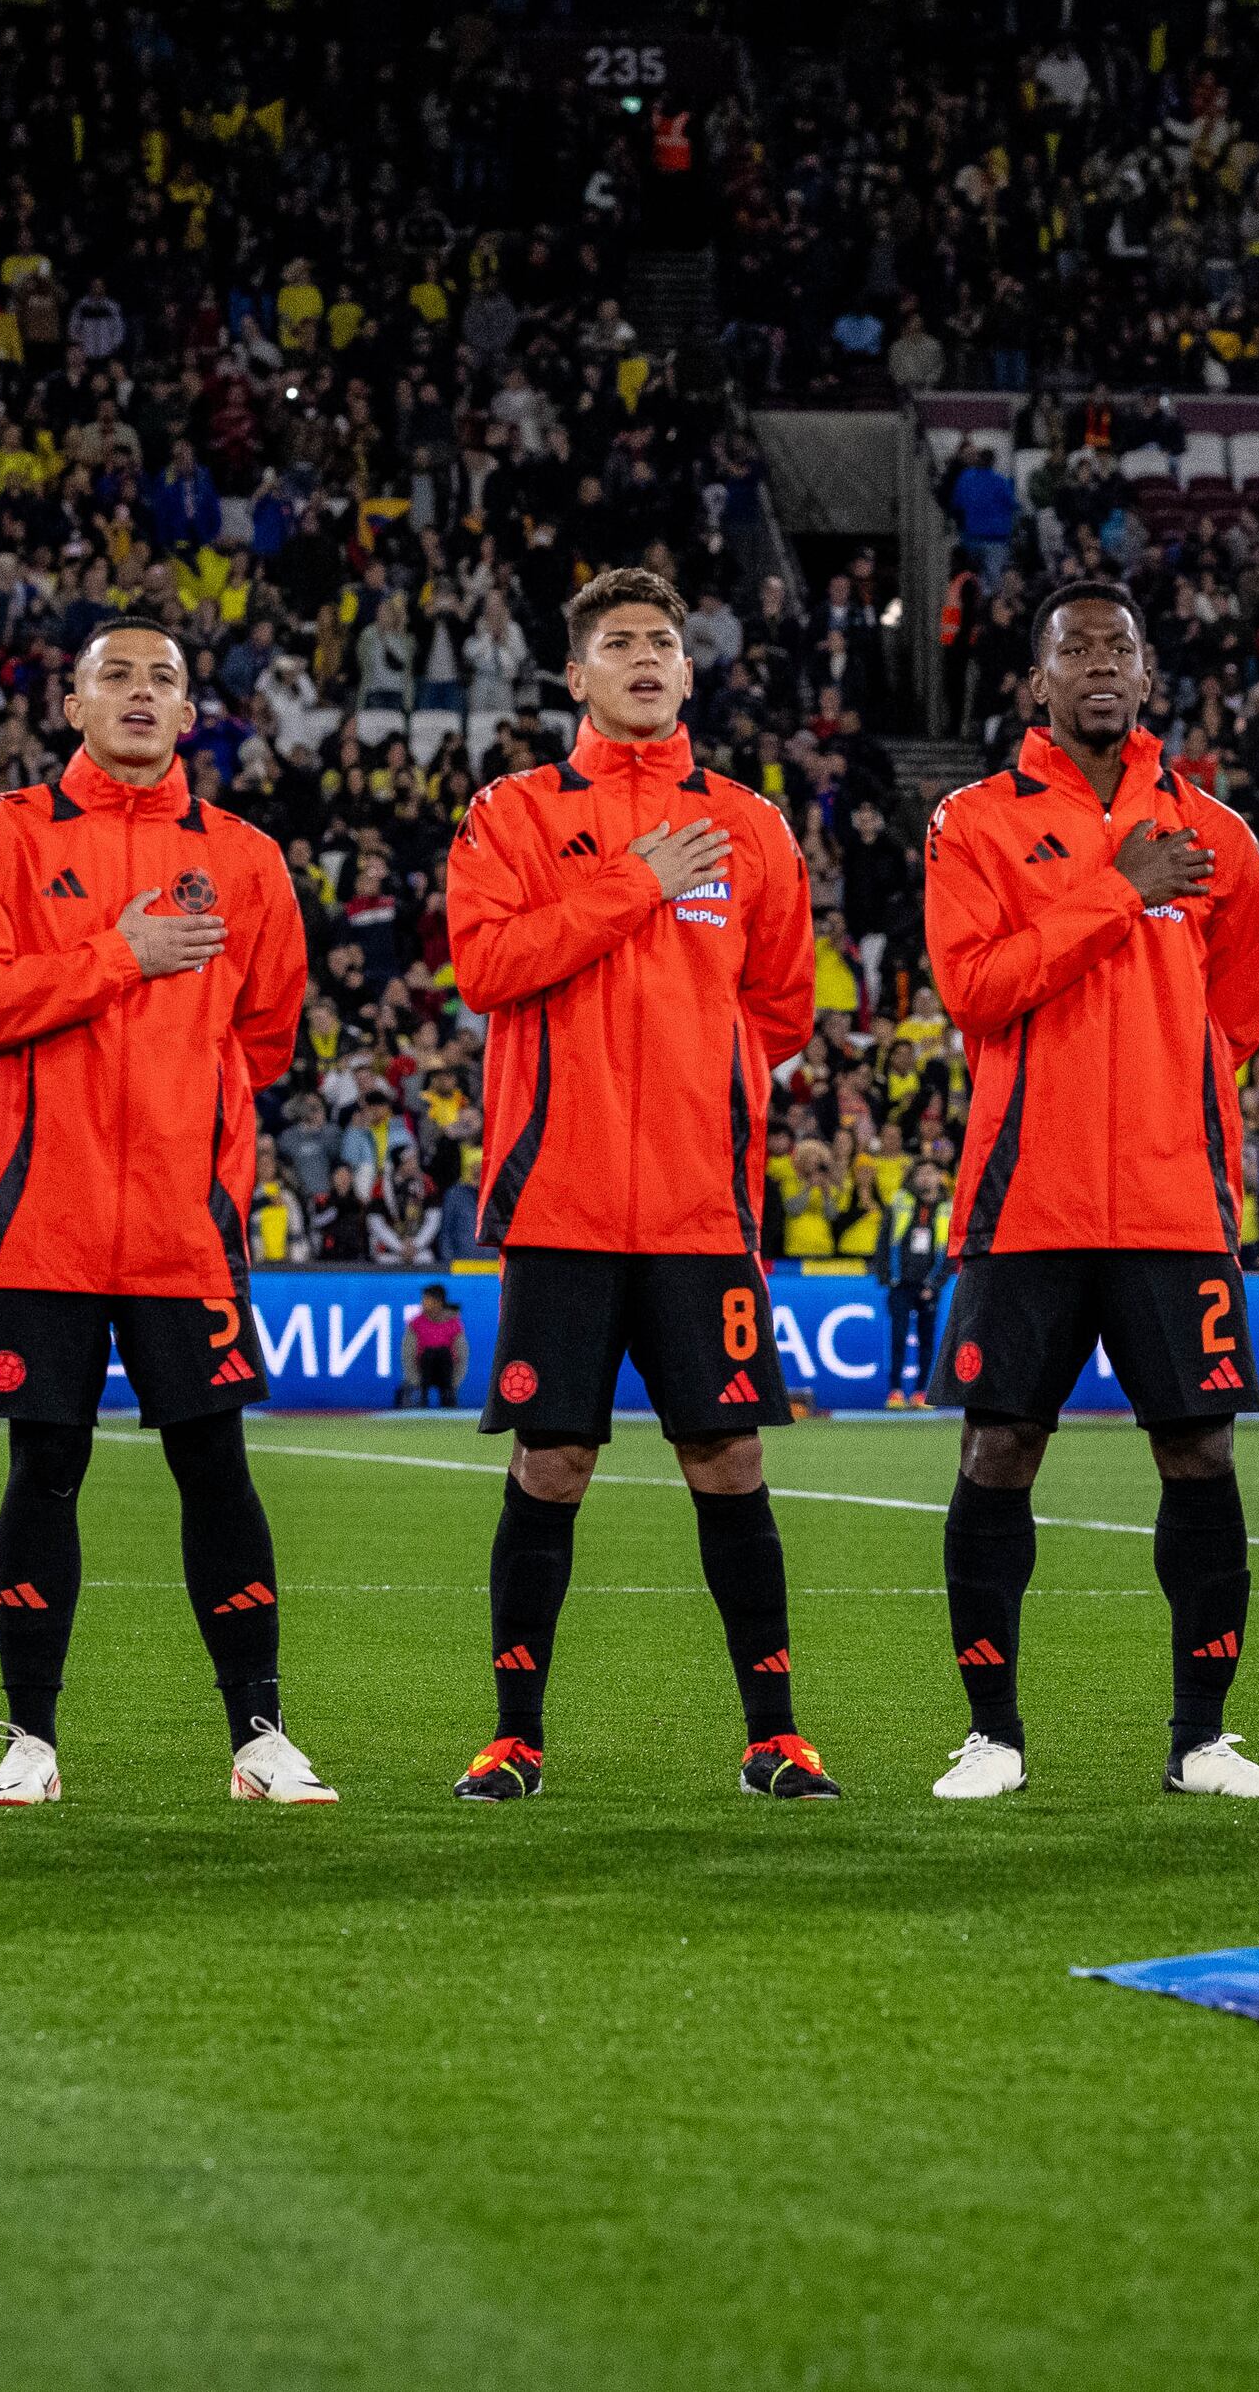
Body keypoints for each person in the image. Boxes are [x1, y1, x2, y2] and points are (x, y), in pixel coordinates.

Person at [437, 565, 836, 1802]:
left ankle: (774, 1735)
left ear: (687, 665)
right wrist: (634, 882)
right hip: (556, 1207)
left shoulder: (753, 826)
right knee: (551, 1465)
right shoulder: (507, 813)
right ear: (576, 676)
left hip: (698, 1211)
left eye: (662, 639)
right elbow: (488, 967)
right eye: (618, 642)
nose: (645, 657)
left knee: (728, 1463)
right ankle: (514, 1736)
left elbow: (779, 1009)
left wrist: (688, 1091)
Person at [0, 619, 335, 1805]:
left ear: (191, 712)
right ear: (72, 702)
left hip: (181, 1224)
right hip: (40, 1218)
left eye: (163, 678)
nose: (141, 692)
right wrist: (118, 954)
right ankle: (32, 1738)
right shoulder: (2, 835)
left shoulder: (246, 858)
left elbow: (263, 1037)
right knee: (42, 1465)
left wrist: (183, 1130)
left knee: (217, 1468)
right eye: (117, 674)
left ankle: (257, 1736)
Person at [918, 577, 1259, 1802]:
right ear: (1033, 680)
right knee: (1001, 1446)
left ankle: (1202, 1738)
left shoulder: (1220, 834)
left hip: (1173, 1202)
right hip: (1027, 1197)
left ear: (1145, 675)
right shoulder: (970, 820)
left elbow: (1235, 1018)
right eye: (1072, 647)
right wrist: (1116, 889)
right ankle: (991, 1732)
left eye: (1117, 647)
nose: (1097, 663)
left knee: (1198, 1450)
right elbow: (974, 990)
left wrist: (1160, 1098)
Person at [874, 1184, 947, 1411]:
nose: (927, 1178)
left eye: (931, 1173)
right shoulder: (900, 1205)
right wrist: (887, 1277)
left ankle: (922, 1391)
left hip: (928, 1285)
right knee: (898, 1336)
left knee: (927, 1339)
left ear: (939, 1177)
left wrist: (934, 1284)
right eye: (922, 1173)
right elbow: (884, 1239)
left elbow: (952, 1249)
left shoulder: (947, 1209)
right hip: (901, 1284)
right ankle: (895, 1391)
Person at [404, 1282, 465, 1412]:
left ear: (438, 1302)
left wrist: (455, 1382)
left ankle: (447, 1396)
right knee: (429, 1354)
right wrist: (415, 1380)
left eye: (427, 1300)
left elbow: (462, 1355)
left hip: (446, 1372)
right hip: (423, 1372)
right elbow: (407, 1354)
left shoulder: (454, 1324)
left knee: (442, 1353)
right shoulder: (415, 1324)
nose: (423, 1303)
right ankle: (422, 1397)